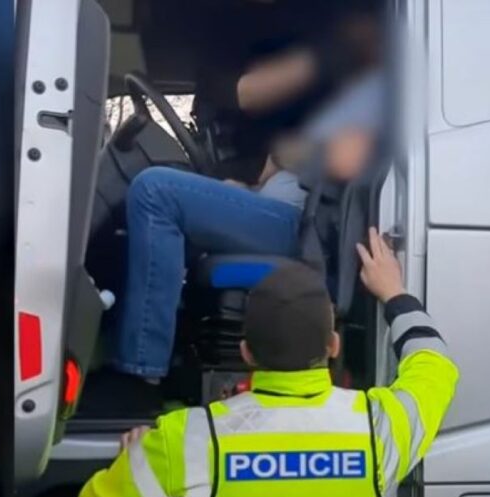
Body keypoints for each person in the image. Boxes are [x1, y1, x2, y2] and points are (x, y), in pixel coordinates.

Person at [79, 229, 460, 497]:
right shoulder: (379, 429)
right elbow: (435, 366)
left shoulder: (190, 438)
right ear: (333, 346)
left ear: (245, 352)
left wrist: (133, 461)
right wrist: (394, 292)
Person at [110, 41, 384, 383]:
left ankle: (141, 372)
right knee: (159, 194)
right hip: (280, 211)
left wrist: (284, 154)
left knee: (155, 191)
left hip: (303, 228)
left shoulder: (365, 89)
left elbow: (337, 155)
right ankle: (173, 362)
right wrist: (248, 189)